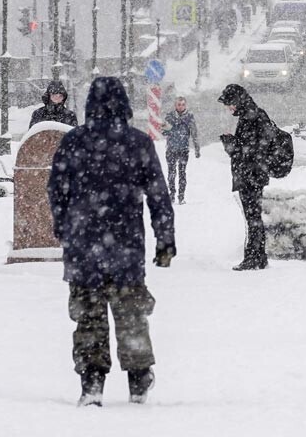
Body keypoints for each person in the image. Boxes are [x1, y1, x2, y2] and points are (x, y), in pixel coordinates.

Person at [47, 77, 175, 408]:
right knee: (131, 316)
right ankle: (138, 380)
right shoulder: (137, 143)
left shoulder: (74, 142)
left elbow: (56, 190)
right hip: (126, 248)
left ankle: (91, 382)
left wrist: (65, 228)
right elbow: (158, 195)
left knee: (88, 317)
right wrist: (165, 240)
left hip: (83, 249)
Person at [217, 83, 273, 271]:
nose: (229, 108)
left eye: (230, 104)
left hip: (251, 174)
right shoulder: (253, 114)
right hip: (254, 173)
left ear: (237, 100)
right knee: (253, 216)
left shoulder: (251, 116)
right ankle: (260, 256)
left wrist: (230, 145)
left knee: (252, 217)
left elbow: (250, 150)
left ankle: (253, 257)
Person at [162, 96, 200, 204]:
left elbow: (194, 133)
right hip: (171, 149)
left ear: (185, 105)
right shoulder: (169, 116)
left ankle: (181, 196)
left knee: (182, 173)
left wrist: (197, 148)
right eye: (179, 104)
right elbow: (163, 131)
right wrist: (168, 129)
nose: (181, 106)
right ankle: (172, 194)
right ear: (175, 105)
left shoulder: (189, 117)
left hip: (183, 149)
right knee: (171, 173)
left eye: (183, 104)